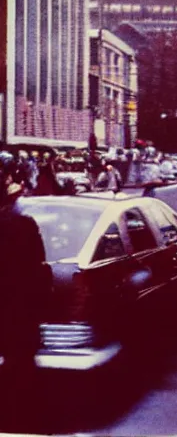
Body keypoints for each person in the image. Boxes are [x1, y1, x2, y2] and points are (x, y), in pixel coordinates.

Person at [0, 181, 52, 430]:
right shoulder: (23, 225)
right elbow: (40, 269)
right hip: (18, 310)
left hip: (15, 307)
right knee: (21, 368)